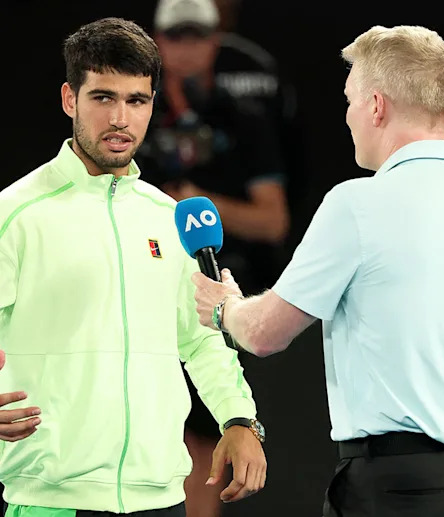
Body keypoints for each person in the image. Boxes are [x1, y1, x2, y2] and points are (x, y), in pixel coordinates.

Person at [189, 25, 444, 516]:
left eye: (350, 100)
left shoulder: (356, 203)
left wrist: (224, 308)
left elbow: (264, 334)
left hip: (393, 489)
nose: (347, 116)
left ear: (376, 106)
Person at [0, 17, 267, 516]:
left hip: (162, 499)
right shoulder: (14, 214)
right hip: (51, 499)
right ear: (69, 99)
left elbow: (201, 337)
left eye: (137, 100)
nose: (120, 118)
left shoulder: (169, 218)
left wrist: (237, 418)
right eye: (103, 97)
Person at [135, 2, 289, 514]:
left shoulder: (245, 120)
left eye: (197, 35)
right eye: (175, 36)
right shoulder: (135, 118)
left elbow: (273, 220)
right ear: (157, 40)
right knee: (154, 433)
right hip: (143, 290)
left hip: (216, 296)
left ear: (215, 41)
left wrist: (199, 201)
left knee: (207, 444)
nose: (186, 48)